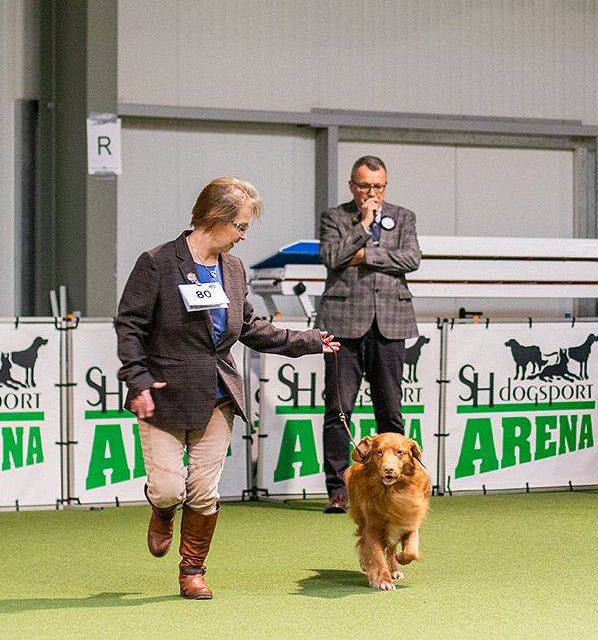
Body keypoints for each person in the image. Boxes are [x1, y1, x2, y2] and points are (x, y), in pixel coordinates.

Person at [116, 177, 339, 600]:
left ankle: (192, 572)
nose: (243, 235)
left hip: (218, 393)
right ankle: (162, 511)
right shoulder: (157, 262)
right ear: (215, 219)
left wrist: (307, 341)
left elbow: (250, 327)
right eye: (240, 226)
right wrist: (138, 379)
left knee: (203, 489)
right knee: (168, 488)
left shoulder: (233, 270)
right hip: (164, 393)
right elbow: (130, 326)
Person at [316, 155, 421, 513]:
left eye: (377, 187)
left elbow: (411, 259)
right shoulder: (334, 217)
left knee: (390, 411)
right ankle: (339, 489)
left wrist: (363, 254)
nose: (371, 193)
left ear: (385, 186)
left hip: (391, 322)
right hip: (343, 323)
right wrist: (363, 224)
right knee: (339, 409)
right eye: (364, 186)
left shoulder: (404, 216)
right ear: (352, 186)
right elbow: (331, 256)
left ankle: (395, 482)